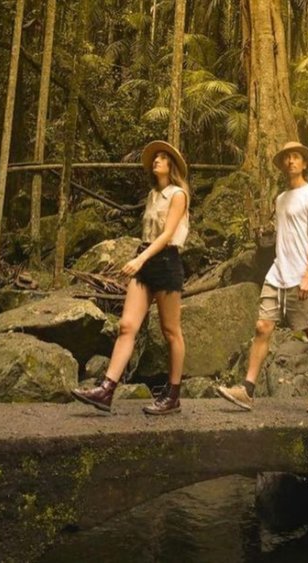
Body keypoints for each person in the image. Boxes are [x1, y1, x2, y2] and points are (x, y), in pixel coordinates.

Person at [71, 140, 190, 415]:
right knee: (126, 325)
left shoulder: (178, 194)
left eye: (162, 157)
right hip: (145, 257)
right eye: (155, 158)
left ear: (171, 165)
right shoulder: (152, 194)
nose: (157, 161)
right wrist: (141, 256)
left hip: (166, 261)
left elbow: (168, 234)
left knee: (171, 331)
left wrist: (140, 258)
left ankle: (173, 395)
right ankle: (106, 390)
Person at [216, 141, 308, 413]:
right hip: (278, 273)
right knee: (262, 326)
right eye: (287, 158)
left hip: (303, 275)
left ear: (305, 164)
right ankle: (247, 390)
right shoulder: (280, 199)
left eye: (296, 157)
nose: (291, 161)